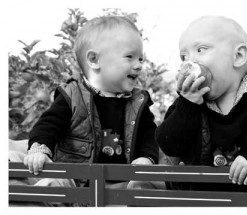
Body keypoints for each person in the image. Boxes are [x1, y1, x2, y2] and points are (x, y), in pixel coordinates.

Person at [156, 16, 247, 191]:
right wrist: (188, 105)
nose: (190, 61)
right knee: (142, 185)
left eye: (201, 49)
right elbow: (169, 144)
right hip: (198, 194)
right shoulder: (188, 101)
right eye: (184, 56)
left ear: (238, 56)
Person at [23, 16, 158, 190]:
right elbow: (48, 125)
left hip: (120, 181)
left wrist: (146, 157)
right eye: (130, 57)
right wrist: (40, 150)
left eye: (141, 59)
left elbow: (149, 136)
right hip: (75, 179)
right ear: (94, 60)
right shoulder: (72, 95)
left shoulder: (138, 102)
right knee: (52, 186)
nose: (139, 65)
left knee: (140, 189)